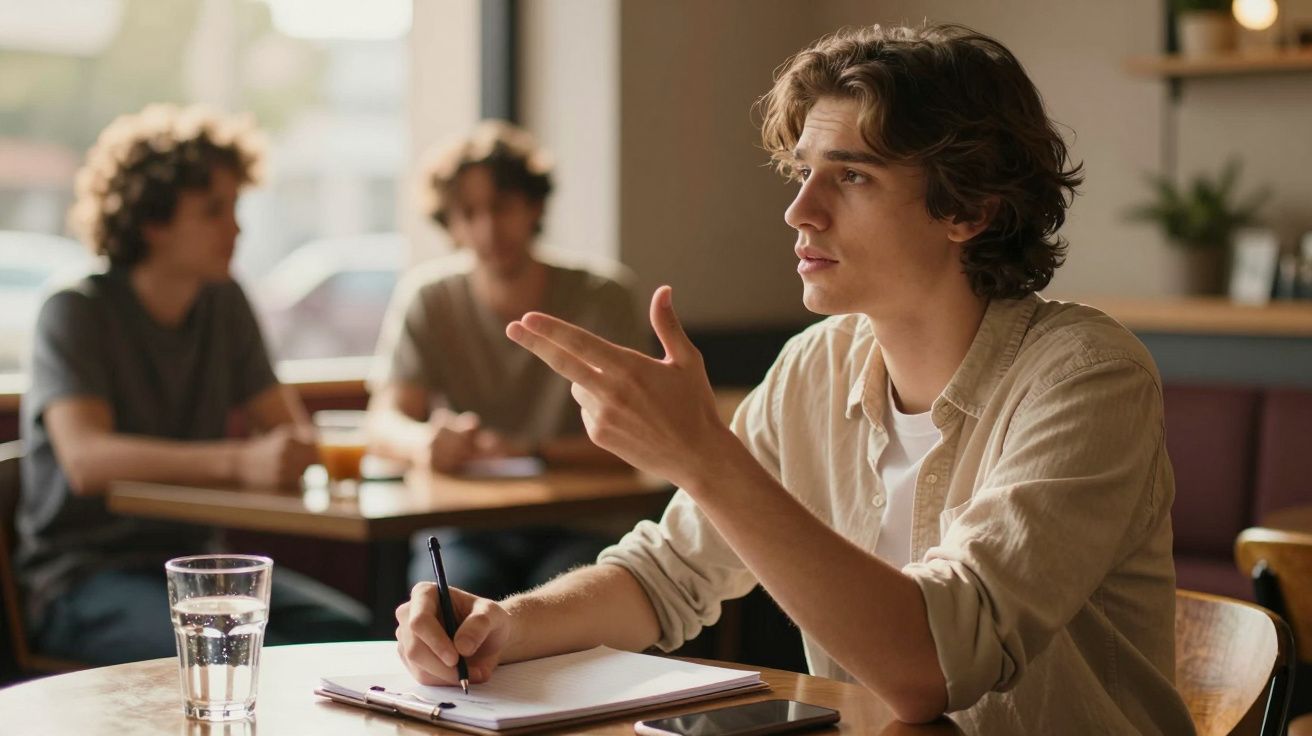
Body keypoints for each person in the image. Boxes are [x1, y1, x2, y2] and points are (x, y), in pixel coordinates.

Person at [393, 24, 1196, 734]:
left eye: (850, 177)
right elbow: (668, 574)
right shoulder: (818, 364)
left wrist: (703, 456)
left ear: (969, 210)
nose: (800, 210)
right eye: (802, 172)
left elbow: (937, 671)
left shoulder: (1088, 377)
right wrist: (500, 624)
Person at [17, 103, 369, 666]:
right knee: (257, 662)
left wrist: (286, 452)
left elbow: (289, 432)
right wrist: (240, 462)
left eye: (235, 206)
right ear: (153, 221)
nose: (237, 227)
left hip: (202, 571)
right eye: (214, 210)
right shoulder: (76, 310)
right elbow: (87, 461)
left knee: (360, 641)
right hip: (83, 582)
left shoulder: (224, 302)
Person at [367, 121, 644, 600]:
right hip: (468, 525)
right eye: (468, 213)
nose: (488, 229)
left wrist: (531, 450)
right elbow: (383, 420)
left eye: (502, 207)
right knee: (451, 614)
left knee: (567, 625)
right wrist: (423, 442)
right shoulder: (430, 299)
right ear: (449, 224)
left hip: (584, 521)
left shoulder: (602, 297)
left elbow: (638, 439)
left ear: (534, 206)